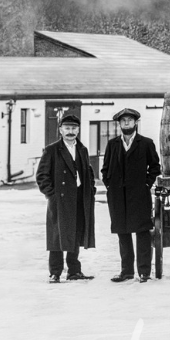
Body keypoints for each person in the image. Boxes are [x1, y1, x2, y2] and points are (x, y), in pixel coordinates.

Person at [101, 108, 162, 283]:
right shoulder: (112, 145)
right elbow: (105, 170)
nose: (126, 123)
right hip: (118, 197)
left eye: (130, 120)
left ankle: (144, 272)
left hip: (139, 196)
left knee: (142, 232)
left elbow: (155, 167)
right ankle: (126, 271)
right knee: (123, 233)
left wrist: (146, 184)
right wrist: (110, 185)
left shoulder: (146, 143)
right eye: (123, 121)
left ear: (136, 123)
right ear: (119, 124)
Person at [35, 113, 96, 283]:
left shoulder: (82, 149)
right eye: (67, 128)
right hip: (59, 200)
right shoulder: (52, 150)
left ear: (78, 130)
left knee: (75, 234)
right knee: (57, 235)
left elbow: (88, 173)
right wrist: (52, 195)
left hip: (78, 198)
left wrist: (90, 189)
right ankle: (55, 272)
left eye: (74, 128)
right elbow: (42, 176)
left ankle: (74, 271)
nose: (70, 131)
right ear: (60, 130)